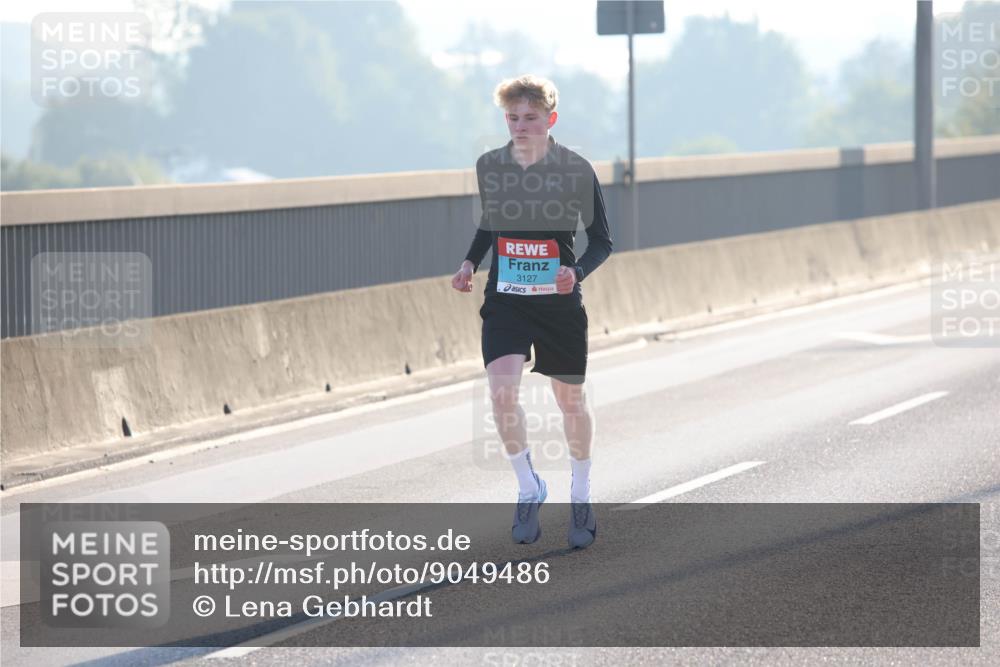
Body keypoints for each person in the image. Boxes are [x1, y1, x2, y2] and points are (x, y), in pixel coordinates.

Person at [451, 74, 613, 549]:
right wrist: (468, 263)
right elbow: (490, 225)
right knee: (501, 395)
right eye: (513, 118)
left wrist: (576, 273)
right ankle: (528, 487)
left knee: (570, 403)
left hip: (559, 304)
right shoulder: (491, 166)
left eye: (530, 119)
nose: (520, 127)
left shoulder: (576, 170)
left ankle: (579, 494)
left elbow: (602, 240)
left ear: (550, 119)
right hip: (506, 299)